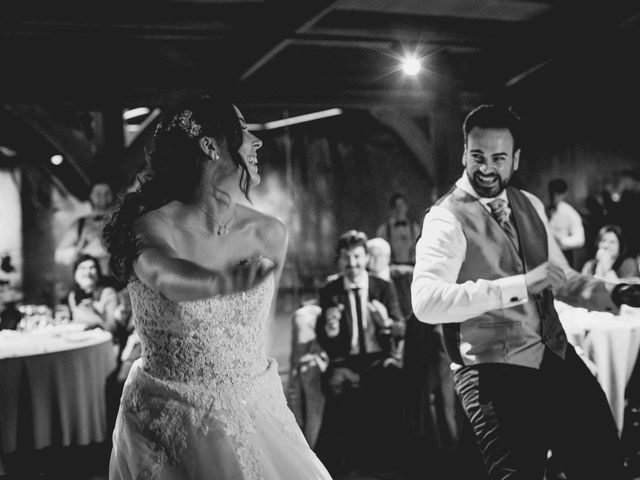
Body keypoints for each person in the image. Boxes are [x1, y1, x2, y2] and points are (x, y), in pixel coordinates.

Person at [103, 94, 332, 480]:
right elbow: (163, 274)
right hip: (170, 416)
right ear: (210, 146)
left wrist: (277, 397)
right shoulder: (152, 225)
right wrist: (218, 283)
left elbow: (262, 328)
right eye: (243, 131)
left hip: (257, 408)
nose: (256, 141)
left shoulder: (269, 232)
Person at [411, 104, 640, 480]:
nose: (486, 168)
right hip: (490, 369)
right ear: (464, 152)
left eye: (498, 158)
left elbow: (560, 279)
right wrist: (518, 286)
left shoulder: (530, 204)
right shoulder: (444, 218)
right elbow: (426, 302)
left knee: (605, 463)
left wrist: (617, 294)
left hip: (555, 355)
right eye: (477, 156)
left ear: (515, 159)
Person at [314, 230, 404, 474]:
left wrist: (386, 323)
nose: (352, 264)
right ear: (339, 260)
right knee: (335, 381)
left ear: (366, 258)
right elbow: (324, 339)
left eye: (357, 257)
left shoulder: (383, 288)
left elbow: (400, 327)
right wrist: (330, 330)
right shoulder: (330, 291)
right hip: (346, 360)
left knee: (390, 380)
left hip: (378, 359)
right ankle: (339, 465)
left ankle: (386, 464)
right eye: (346, 258)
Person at [55, 181, 115, 276]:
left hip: (118, 279)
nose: (103, 197)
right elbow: (59, 256)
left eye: (107, 193)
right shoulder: (80, 224)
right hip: (89, 278)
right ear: (91, 195)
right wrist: (80, 247)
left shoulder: (121, 220)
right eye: (98, 193)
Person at [68, 254, 119, 332]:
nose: (87, 272)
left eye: (91, 268)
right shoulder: (73, 295)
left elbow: (112, 328)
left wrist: (94, 308)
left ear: (98, 273)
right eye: (82, 268)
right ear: (75, 274)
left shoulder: (107, 293)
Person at [547, 178, 585, 267]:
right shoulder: (547, 210)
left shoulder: (570, 213)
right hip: (548, 255)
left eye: (558, 194)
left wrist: (561, 240)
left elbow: (580, 239)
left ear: (564, 194)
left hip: (563, 255)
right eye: (552, 193)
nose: (554, 197)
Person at [376, 193, 421, 265]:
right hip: (391, 269)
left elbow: (420, 250)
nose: (400, 209)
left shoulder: (415, 228)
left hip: (411, 268)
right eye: (397, 206)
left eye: (402, 205)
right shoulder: (384, 230)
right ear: (392, 209)